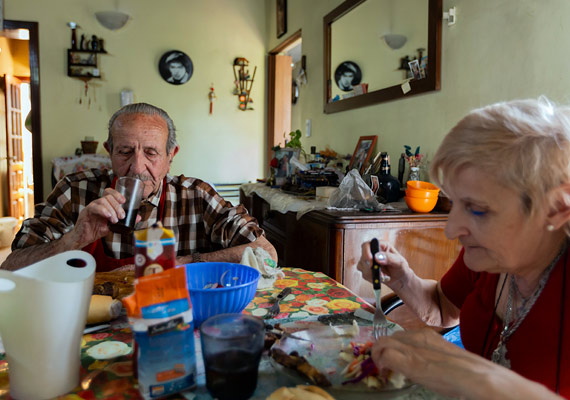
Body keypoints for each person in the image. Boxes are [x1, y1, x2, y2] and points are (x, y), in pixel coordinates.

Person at [358, 98, 570, 398]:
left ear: (557, 208)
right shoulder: (489, 257)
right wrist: (403, 278)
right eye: (455, 202)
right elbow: (443, 308)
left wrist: (476, 375)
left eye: (478, 209)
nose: (450, 230)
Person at [1, 103, 277, 272]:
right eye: (124, 152)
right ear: (109, 152)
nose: (137, 167)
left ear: (171, 157)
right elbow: (11, 267)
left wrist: (182, 263)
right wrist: (74, 239)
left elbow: (267, 254)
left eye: (151, 153)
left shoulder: (197, 196)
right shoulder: (75, 192)